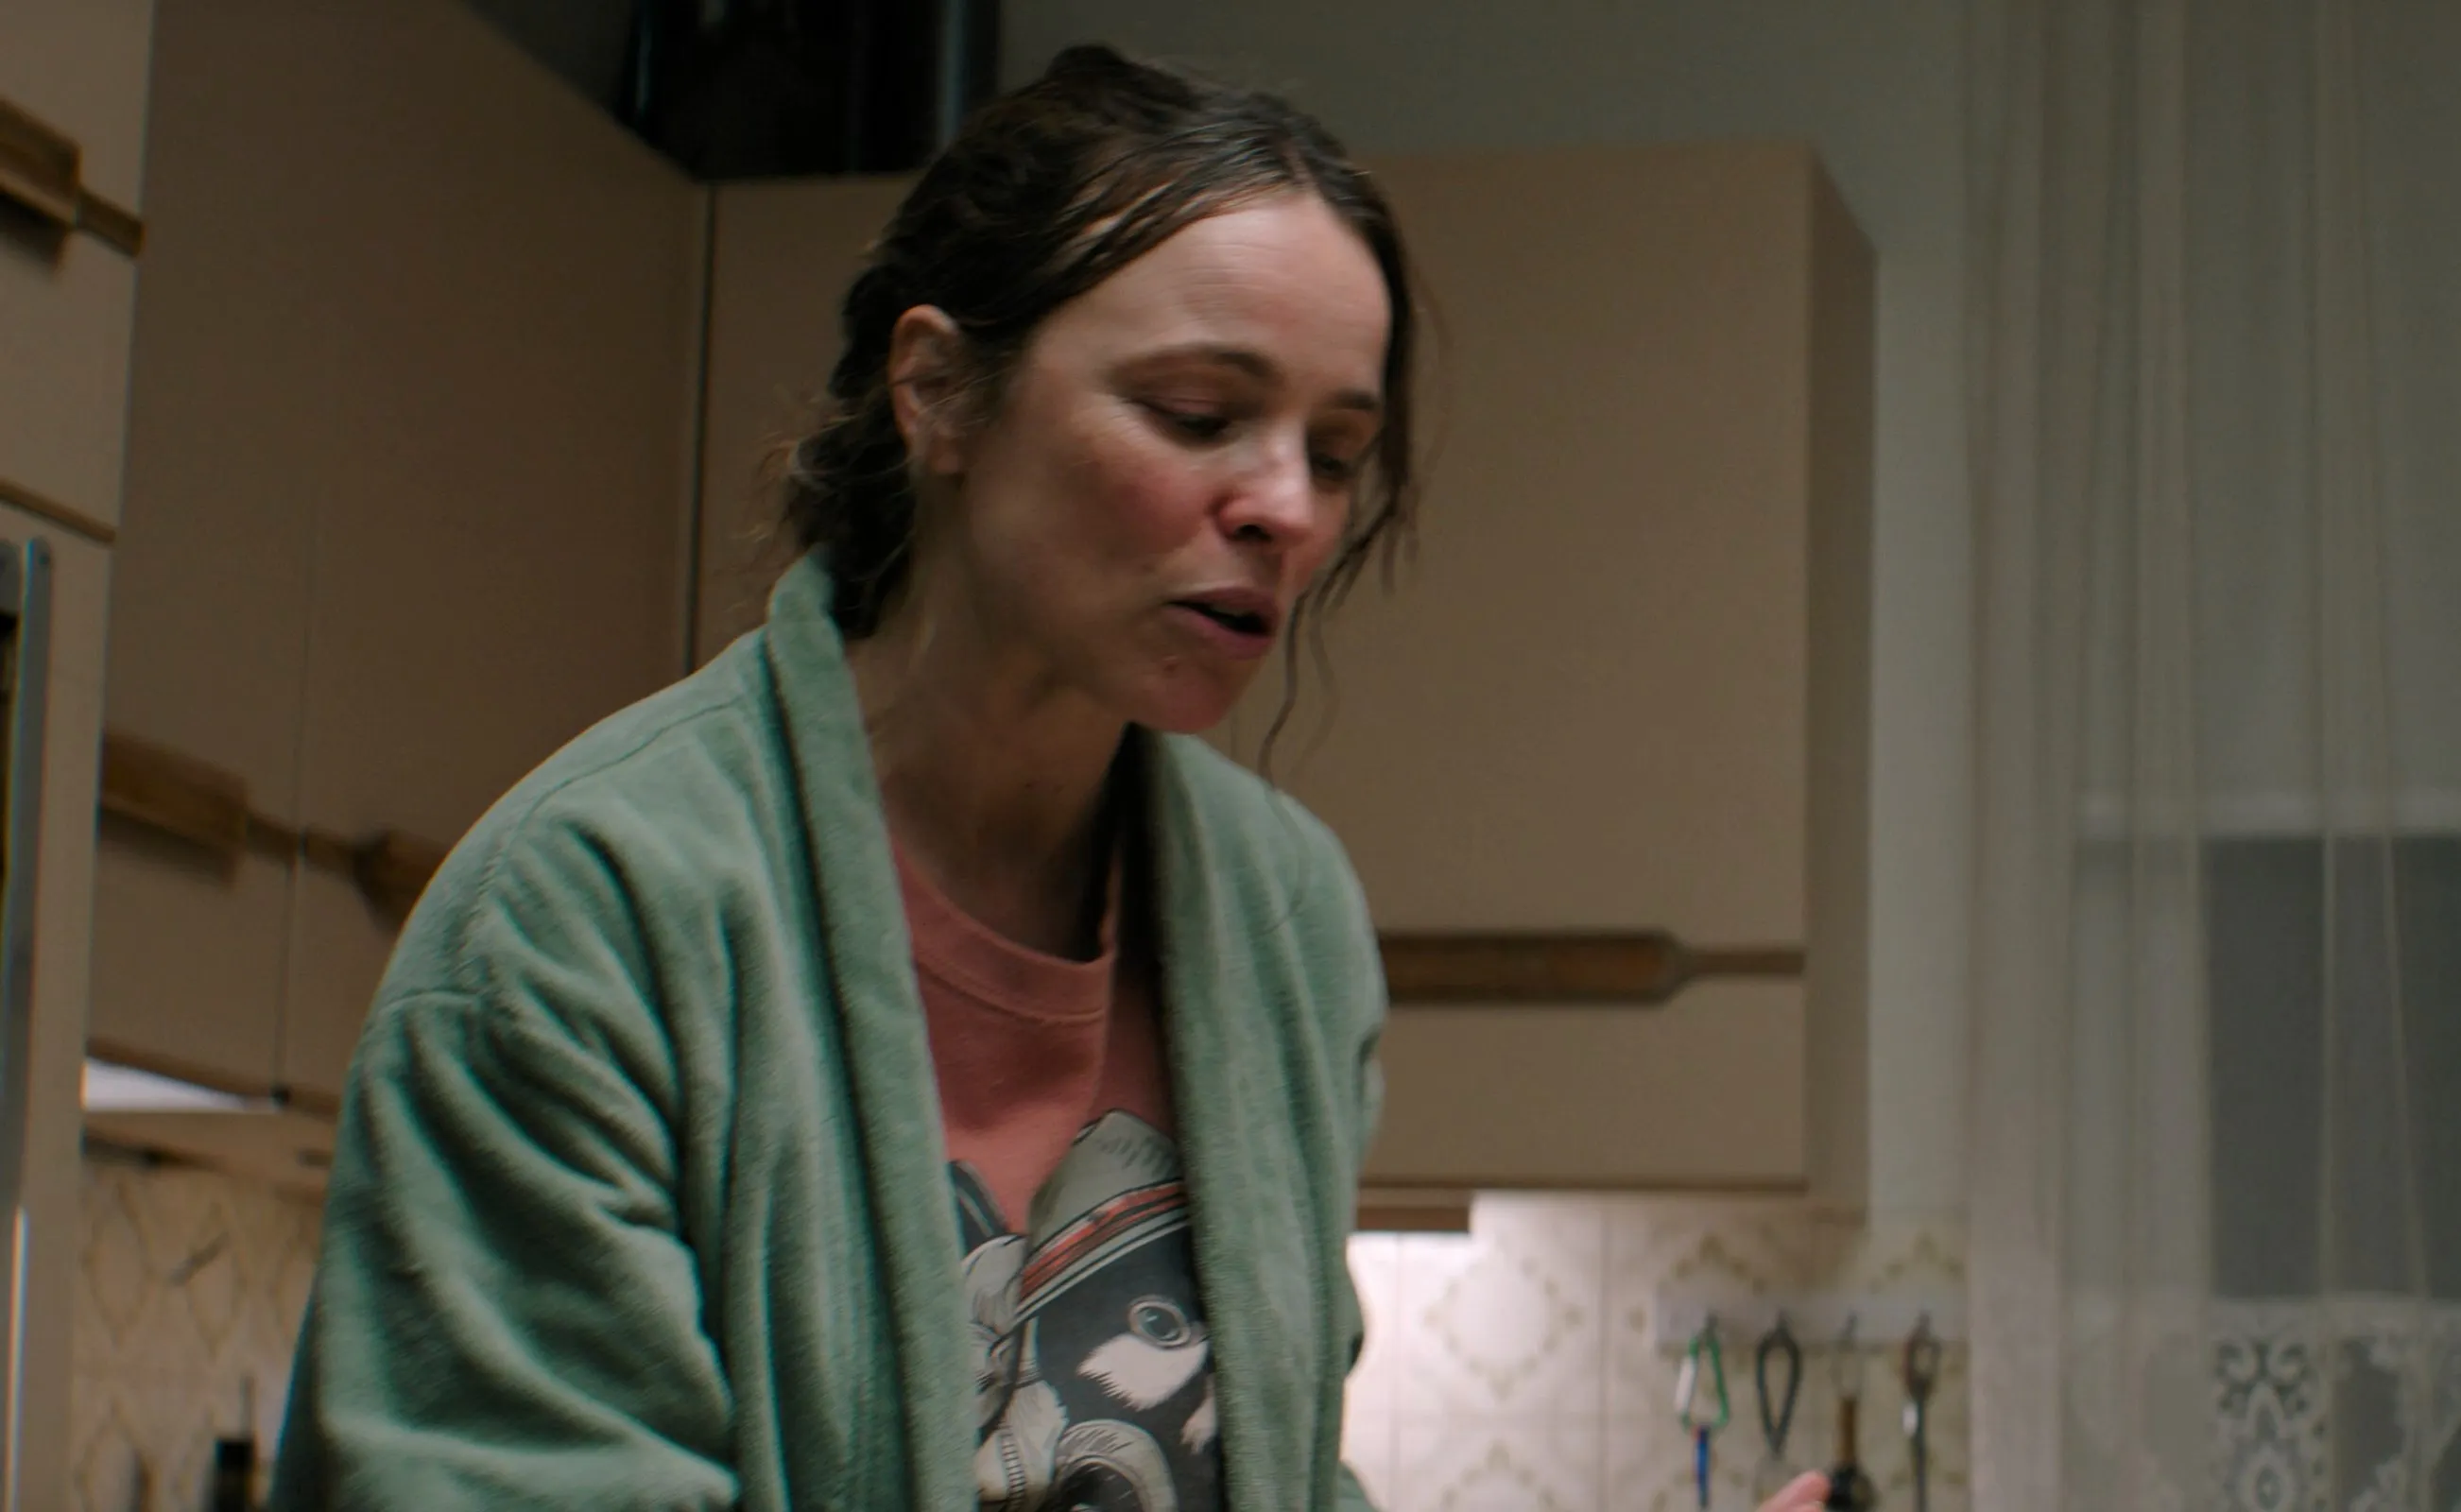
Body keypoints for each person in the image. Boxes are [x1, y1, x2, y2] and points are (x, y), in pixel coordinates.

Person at [268, 45, 1834, 1512]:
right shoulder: (588, 914)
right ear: (939, 392)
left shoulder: (1283, 920)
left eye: (1337, 453)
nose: (1287, 508)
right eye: (1199, 415)